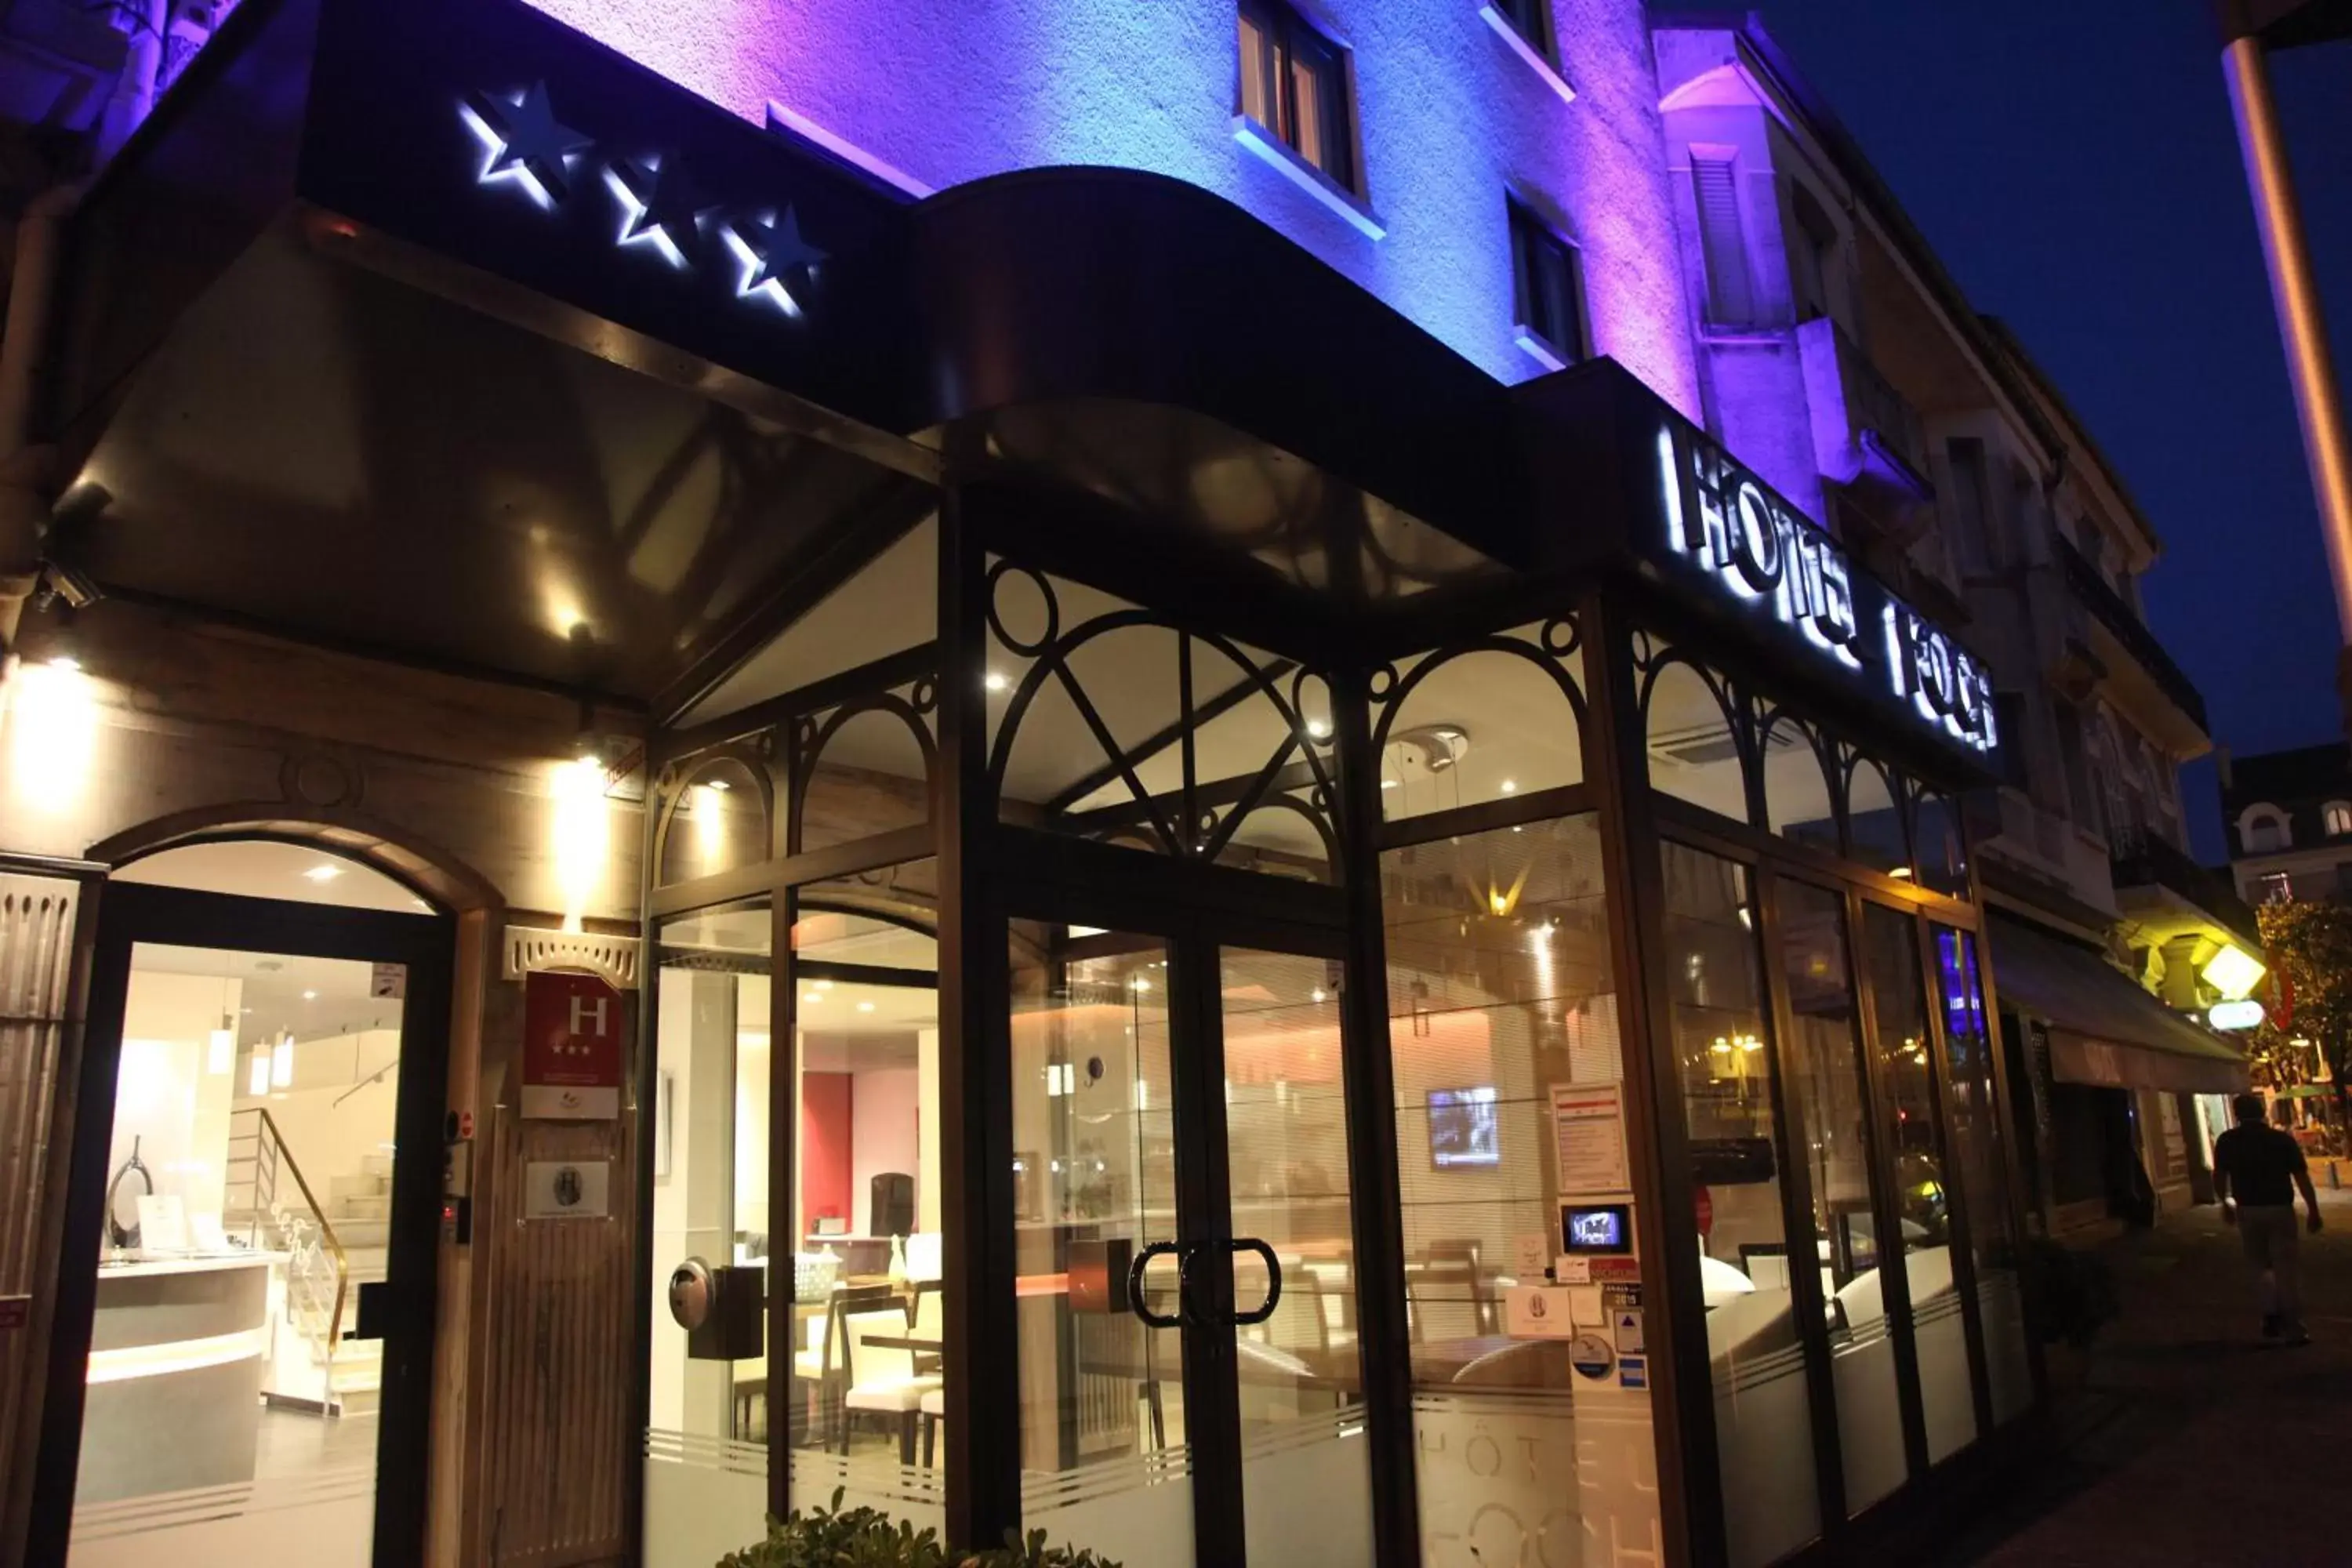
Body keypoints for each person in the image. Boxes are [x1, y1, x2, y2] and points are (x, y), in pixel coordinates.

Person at [2212, 1092, 2323, 1345]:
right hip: (2280, 1208)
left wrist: (2225, 1203)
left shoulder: (2228, 1141)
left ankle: (2270, 1315)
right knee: (2286, 1268)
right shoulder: (2281, 1140)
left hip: (2248, 1209)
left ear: (2238, 1114)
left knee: (2259, 1265)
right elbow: (2301, 1177)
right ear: (2262, 1111)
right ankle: (2294, 1327)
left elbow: (2219, 1176)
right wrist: (2313, 1210)